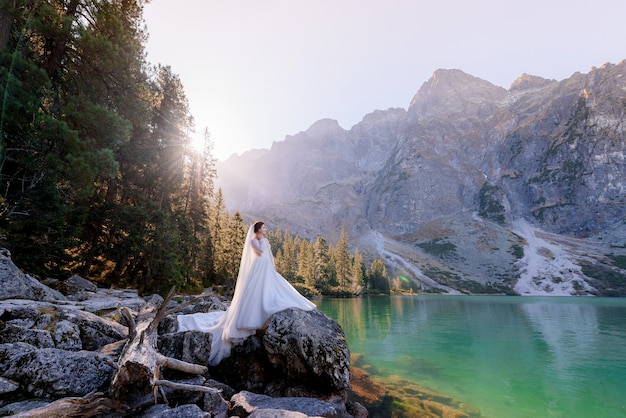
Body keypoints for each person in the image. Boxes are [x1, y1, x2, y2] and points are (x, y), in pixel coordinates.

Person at [177, 221, 316, 365]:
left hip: (267, 267)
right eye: (263, 227)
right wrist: (262, 241)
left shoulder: (264, 240)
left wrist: (273, 266)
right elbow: (260, 252)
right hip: (258, 268)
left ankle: (271, 306)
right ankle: (251, 318)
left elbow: (269, 254)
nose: (265, 229)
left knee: (274, 288)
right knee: (255, 292)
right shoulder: (253, 241)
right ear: (258, 229)